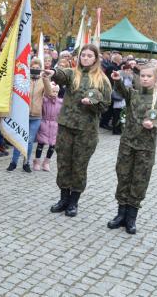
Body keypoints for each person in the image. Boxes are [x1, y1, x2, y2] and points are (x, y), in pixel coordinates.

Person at [47, 43, 112, 217]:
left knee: (79, 165)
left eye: (90, 56)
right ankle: (63, 199)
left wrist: (93, 104)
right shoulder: (73, 73)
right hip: (67, 127)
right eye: (83, 55)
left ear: (96, 58)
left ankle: (73, 202)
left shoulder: (101, 79)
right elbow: (61, 75)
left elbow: (106, 105)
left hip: (86, 130)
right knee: (63, 163)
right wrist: (52, 72)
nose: (86, 58)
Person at [108, 64, 157, 234]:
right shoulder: (133, 94)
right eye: (142, 75)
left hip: (145, 147)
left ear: (155, 79)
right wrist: (118, 80)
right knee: (123, 175)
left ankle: (131, 218)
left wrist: (152, 123)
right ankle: (120, 215)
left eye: (149, 76)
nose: (145, 78)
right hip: (127, 144)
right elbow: (121, 90)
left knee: (139, 180)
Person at [6, 58, 52, 172]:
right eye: (33, 67)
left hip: (36, 115)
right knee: (19, 138)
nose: (35, 70)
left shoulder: (43, 80)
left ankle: (26, 163)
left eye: (37, 68)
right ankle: (14, 162)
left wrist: (46, 80)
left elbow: (49, 94)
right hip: (23, 114)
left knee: (30, 140)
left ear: (40, 69)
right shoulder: (24, 78)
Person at [33, 81, 63, 171]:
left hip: (55, 125)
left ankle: (46, 162)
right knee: (41, 143)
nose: (54, 94)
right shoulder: (44, 100)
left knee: (52, 145)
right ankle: (37, 161)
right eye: (53, 91)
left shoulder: (61, 102)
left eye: (56, 92)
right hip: (44, 123)